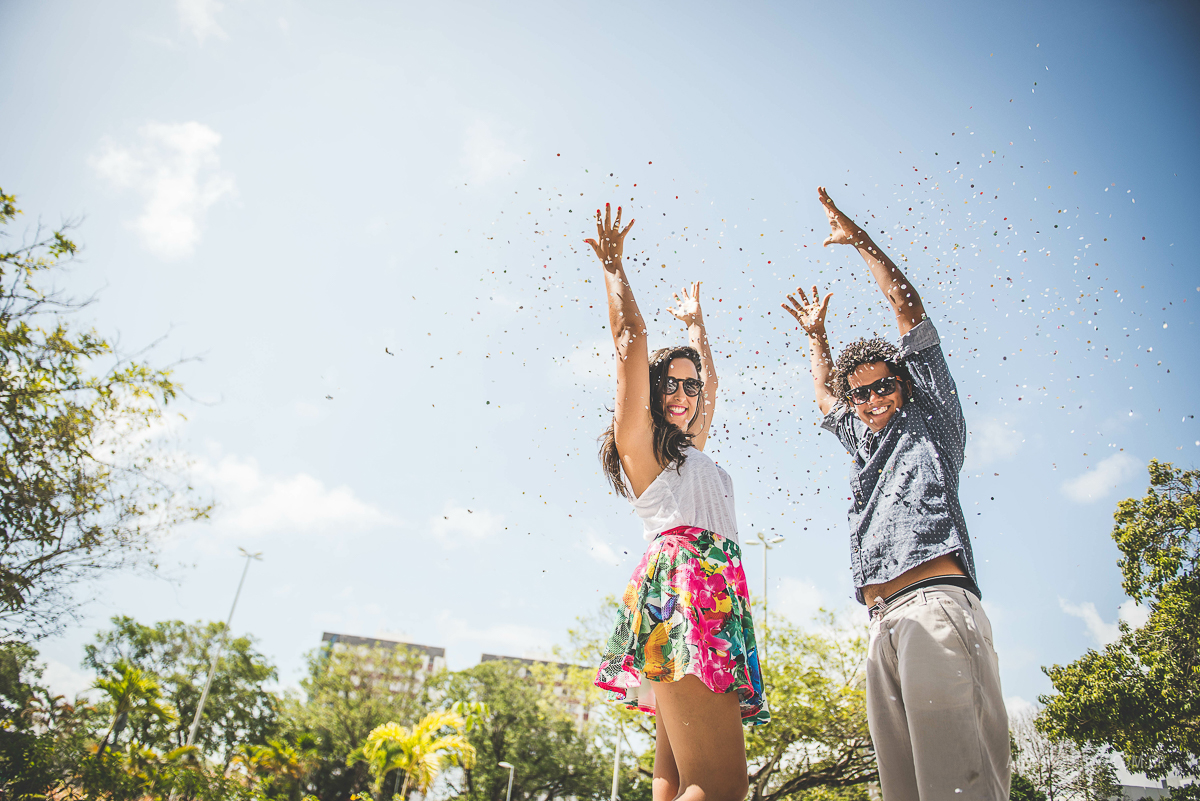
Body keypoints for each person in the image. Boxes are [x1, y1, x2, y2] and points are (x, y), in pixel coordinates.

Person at [781, 188, 1008, 801]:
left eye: (884, 387)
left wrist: (858, 240)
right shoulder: (862, 442)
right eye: (864, 394)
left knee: (958, 786)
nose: (874, 401)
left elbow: (907, 310)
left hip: (935, 606)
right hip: (882, 624)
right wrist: (816, 338)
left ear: (903, 384)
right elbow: (826, 400)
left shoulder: (930, 418)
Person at [586, 203, 768, 801]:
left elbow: (710, 384)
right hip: (686, 591)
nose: (686, 394)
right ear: (651, 391)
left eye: (692, 386)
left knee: (673, 781)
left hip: (710, 593)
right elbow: (630, 342)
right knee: (721, 787)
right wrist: (614, 268)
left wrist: (697, 329)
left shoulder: (691, 451)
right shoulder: (641, 446)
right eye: (672, 383)